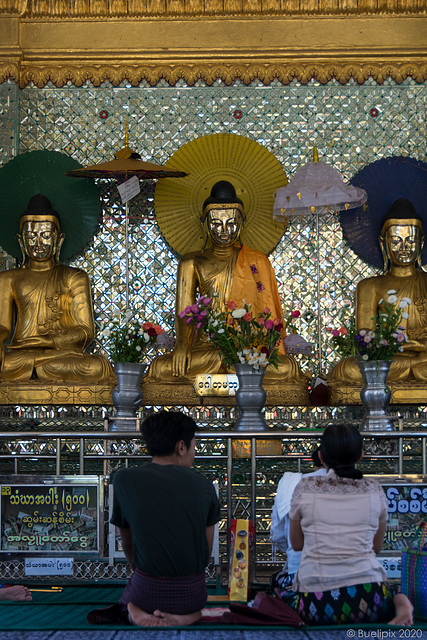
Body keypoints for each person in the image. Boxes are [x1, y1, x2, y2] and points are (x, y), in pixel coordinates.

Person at [145, 180, 307, 384]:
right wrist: (182, 346)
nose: (223, 230)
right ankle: (239, 371)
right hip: (207, 348)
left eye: (231, 223)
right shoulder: (191, 262)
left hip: (247, 346)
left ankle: (236, 368)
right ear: (204, 223)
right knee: (160, 368)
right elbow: (184, 310)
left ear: (242, 222)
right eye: (216, 223)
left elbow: (266, 309)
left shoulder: (257, 261)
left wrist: (255, 345)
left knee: (288, 367)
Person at [88, 410, 221, 627]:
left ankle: (133, 611)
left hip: (145, 592)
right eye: (194, 446)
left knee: (131, 595)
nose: (193, 453)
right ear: (181, 446)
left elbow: (127, 542)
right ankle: (188, 617)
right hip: (191, 595)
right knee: (197, 609)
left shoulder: (124, 479)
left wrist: (143, 573)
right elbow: (205, 554)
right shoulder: (204, 485)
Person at [277, 423, 413, 626]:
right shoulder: (374, 490)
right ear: (360, 456)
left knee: (279, 585)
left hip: (317, 604)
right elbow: (375, 548)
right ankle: (403, 606)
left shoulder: (305, 488)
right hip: (370, 600)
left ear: (321, 457)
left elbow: (296, 544)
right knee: (393, 592)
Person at [0, 194, 114, 383]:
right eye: (31, 236)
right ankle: (36, 366)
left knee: (98, 366)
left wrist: (48, 342)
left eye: (45, 236)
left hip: (60, 356)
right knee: (8, 363)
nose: (38, 244)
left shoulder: (74, 277)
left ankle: (38, 367)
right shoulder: (8, 278)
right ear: (21, 241)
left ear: (58, 240)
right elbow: (3, 326)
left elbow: (86, 331)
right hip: (21, 356)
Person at [328, 198, 427, 385]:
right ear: (384, 244)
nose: (404, 248)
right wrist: (398, 346)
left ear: (421, 243)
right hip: (391, 362)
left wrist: (420, 345)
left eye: (411, 241)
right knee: (347, 369)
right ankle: (414, 366)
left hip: (423, 358)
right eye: (396, 241)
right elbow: (365, 340)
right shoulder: (369, 286)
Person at [270, 447, 325, 589]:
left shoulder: (292, 486)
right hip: (346, 578)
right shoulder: (358, 488)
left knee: (276, 580)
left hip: (299, 576)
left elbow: (277, 535)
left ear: (317, 458)